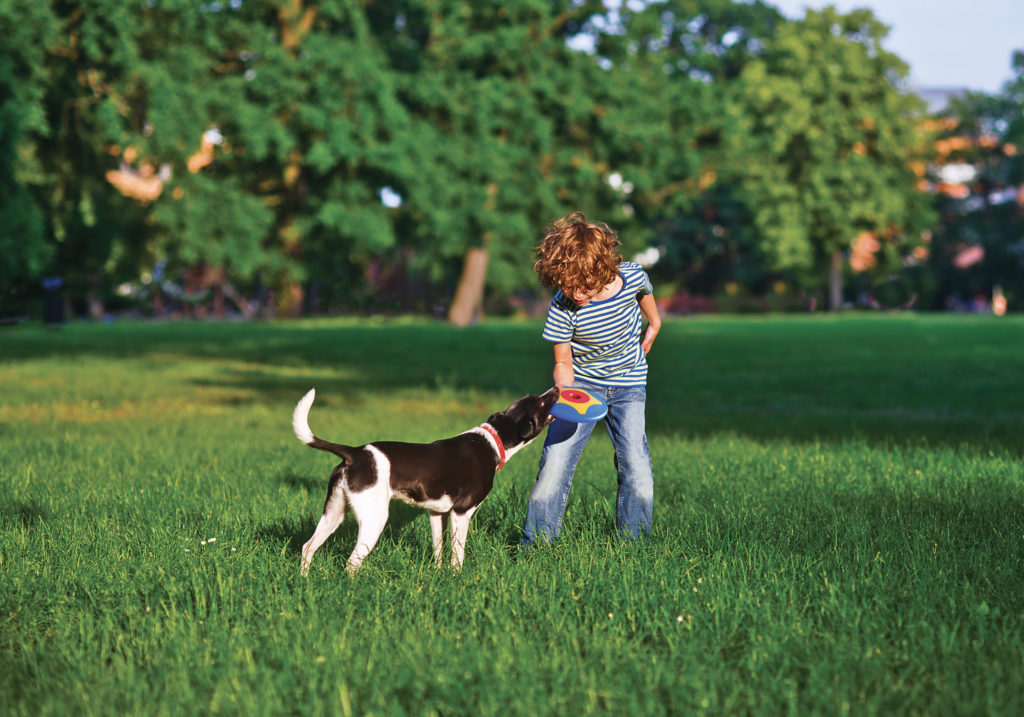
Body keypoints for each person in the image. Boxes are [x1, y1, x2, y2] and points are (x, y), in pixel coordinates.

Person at [521, 211, 662, 546]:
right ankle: (537, 546)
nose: (574, 292)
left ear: (602, 268)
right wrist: (564, 395)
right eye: (565, 284)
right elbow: (563, 361)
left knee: (636, 464)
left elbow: (646, 293)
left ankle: (634, 545)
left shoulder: (630, 278)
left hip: (629, 384)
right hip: (582, 385)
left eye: (581, 284)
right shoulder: (563, 306)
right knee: (555, 463)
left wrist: (654, 323)